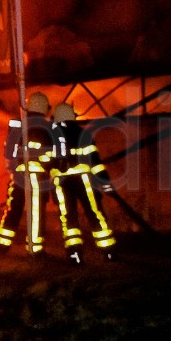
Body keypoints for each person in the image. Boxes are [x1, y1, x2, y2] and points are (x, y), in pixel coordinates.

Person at [49, 102, 118, 265]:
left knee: (68, 219)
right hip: (84, 181)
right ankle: (108, 252)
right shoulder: (83, 134)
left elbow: (46, 163)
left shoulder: (52, 137)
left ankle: (74, 255)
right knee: (95, 215)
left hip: (61, 183)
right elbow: (96, 163)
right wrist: (106, 184)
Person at [0, 91, 56, 258]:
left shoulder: (18, 124)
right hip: (38, 178)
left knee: (13, 210)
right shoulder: (48, 127)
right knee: (36, 213)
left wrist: (13, 171)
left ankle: (1, 247)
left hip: (19, 177)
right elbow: (54, 154)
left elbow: (8, 152)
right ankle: (35, 249)